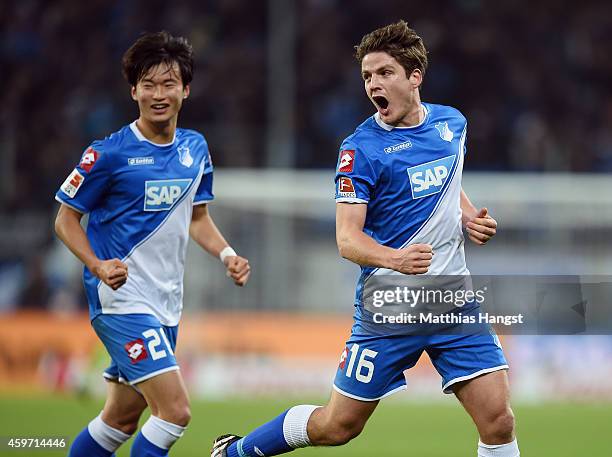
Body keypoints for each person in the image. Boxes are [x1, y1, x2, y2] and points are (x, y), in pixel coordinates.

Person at [211, 20, 519, 457]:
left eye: (384, 73)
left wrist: (469, 218)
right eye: (367, 77)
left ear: (415, 77)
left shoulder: (452, 124)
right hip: (388, 307)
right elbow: (347, 240)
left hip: (452, 301)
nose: (373, 84)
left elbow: (450, 185)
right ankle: (236, 451)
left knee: (499, 421)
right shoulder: (361, 150)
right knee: (338, 426)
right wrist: (396, 260)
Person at [55, 31, 251, 457]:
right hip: (122, 301)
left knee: (120, 420)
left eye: (168, 84)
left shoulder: (195, 148)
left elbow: (197, 217)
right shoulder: (108, 154)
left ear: (186, 89)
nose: (158, 94)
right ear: (133, 91)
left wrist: (227, 253)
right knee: (175, 411)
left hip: (166, 302)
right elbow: (65, 220)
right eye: (149, 84)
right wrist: (97, 265)